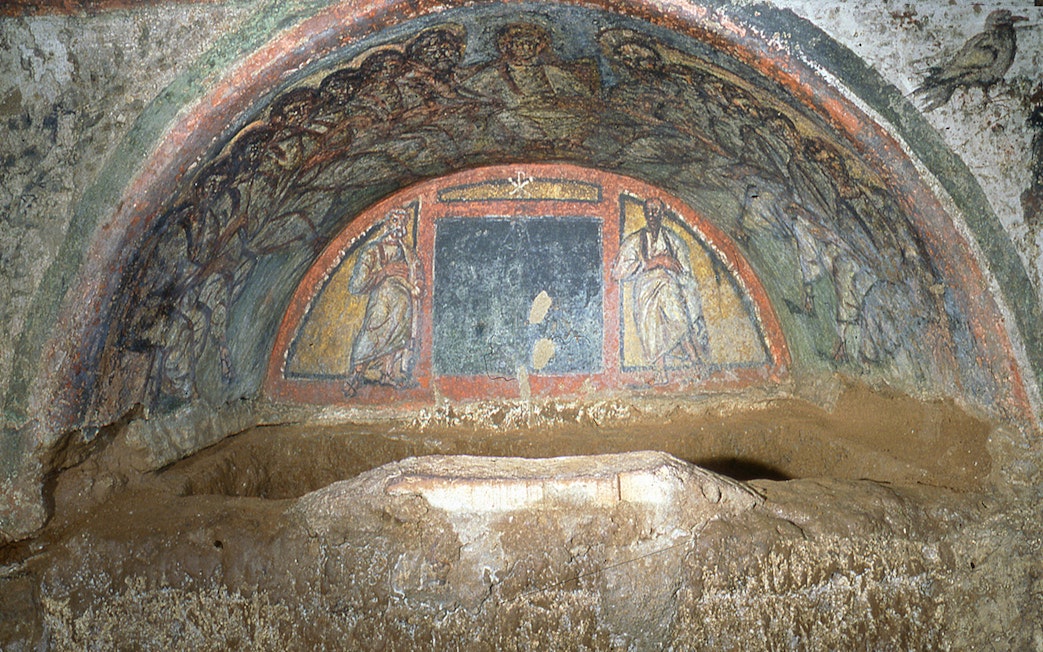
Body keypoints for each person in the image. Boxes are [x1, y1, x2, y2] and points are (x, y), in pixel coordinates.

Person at [612, 198, 710, 383]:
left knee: (680, 322)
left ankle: (696, 363)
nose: (652, 215)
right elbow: (618, 271)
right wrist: (654, 262)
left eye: (656, 211)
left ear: (663, 213)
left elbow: (685, 270)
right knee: (651, 329)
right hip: (645, 293)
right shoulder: (636, 240)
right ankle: (660, 372)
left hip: (669, 287)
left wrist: (677, 275)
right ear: (644, 213)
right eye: (649, 211)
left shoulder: (673, 241)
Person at [344, 208, 423, 395]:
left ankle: (387, 373)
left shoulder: (408, 253)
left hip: (403, 307)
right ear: (387, 223)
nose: (399, 226)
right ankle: (357, 373)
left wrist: (418, 284)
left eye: (403, 222)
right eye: (395, 220)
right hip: (381, 305)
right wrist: (385, 271)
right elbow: (357, 284)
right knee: (372, 334)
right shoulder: (372, 251)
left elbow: (418, 273)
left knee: (398, 338)